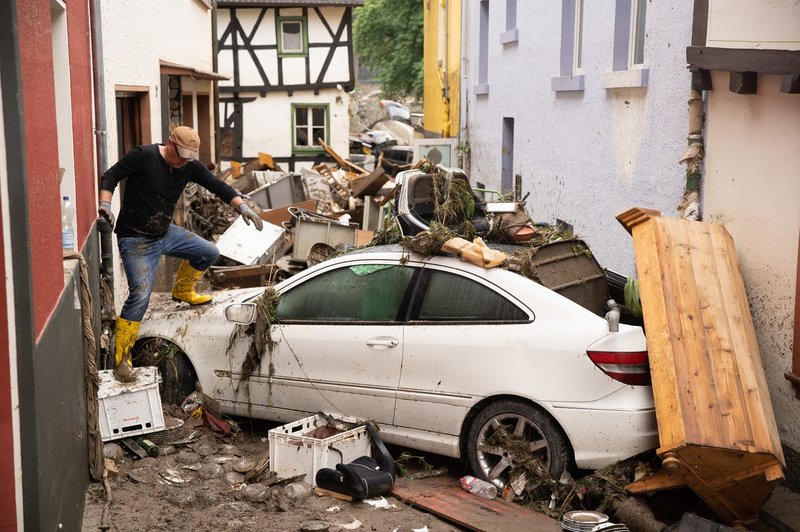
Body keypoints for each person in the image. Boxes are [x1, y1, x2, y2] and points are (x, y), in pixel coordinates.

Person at [98, 126, 264, 382]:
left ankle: (183, 290)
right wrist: (106, 204)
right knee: (140, 296)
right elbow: (111, 176)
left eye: (189, 157)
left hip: (165, 232)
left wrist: (243, 207)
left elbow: (218, 186)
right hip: (135, 239)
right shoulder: (143, 155)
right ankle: (122, 359)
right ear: (170, 144)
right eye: (181, 155)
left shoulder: (189, 165)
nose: (184, 161)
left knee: (209, 252)